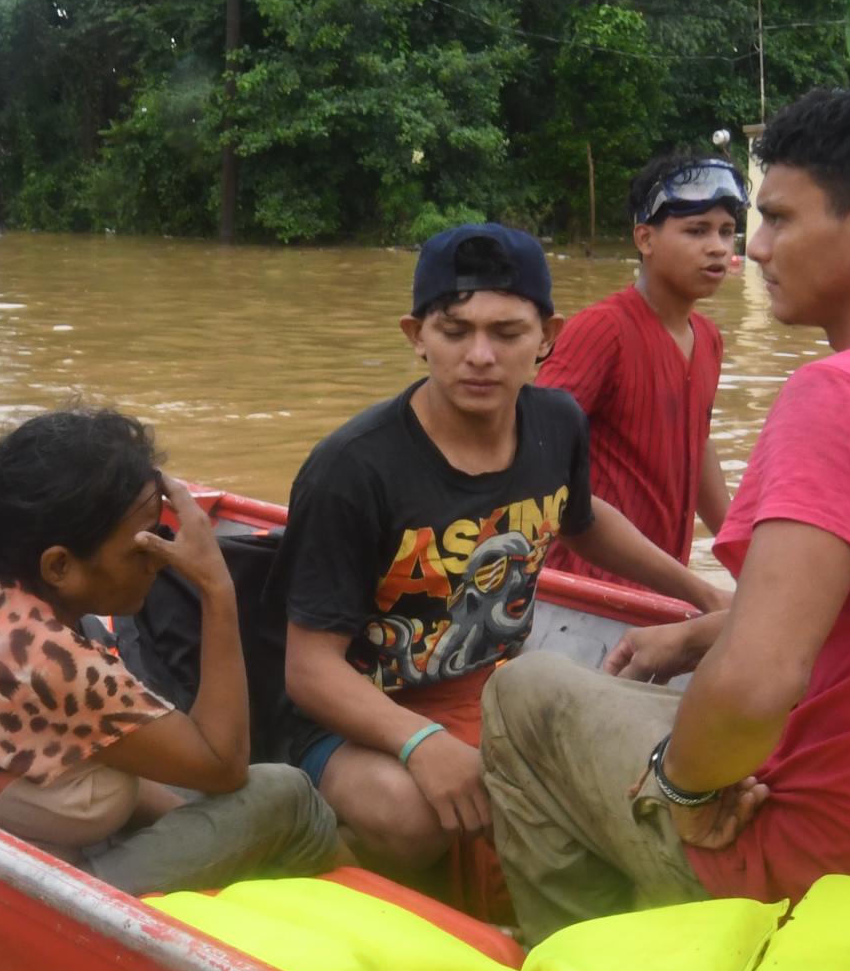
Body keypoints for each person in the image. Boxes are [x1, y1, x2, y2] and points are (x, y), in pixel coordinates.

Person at [481, 81, 850, 942]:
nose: (752, 250)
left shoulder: (843, 392)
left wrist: (683, 789)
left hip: (838, 874)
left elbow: (759, 683)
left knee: (526, 695)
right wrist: (700, 632)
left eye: (776, 220)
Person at [279, 223, 729, 878]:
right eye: (455, 332)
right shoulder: (352, 469)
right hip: (357, 716)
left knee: (665, 769)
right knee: (413, 813)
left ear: (548, 336)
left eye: (507, 333)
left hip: (496, 690)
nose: (480, 356)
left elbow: (582, 520)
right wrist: (422, 743)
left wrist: (700, 593)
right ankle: (317, 858)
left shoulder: (557, 423)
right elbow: (309, 670)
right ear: (417, 338)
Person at [0, 408, 343, 895]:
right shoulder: (51, 659)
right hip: (2, 893)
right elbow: (225, 765)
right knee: (287, 794)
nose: (159, 556)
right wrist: (216, 586)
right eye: (141, 544)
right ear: (59, 566)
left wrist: (212, 824)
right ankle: (370, 899)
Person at [537, 149, 743, 588]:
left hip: (663, 587)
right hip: (583, 590)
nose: (718, 248)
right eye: (697, 230)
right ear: (645, 239)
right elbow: (537, 460)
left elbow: (697, 441)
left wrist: (741, 553)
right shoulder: (600, 330)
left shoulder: (708, 337)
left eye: (727, 232)